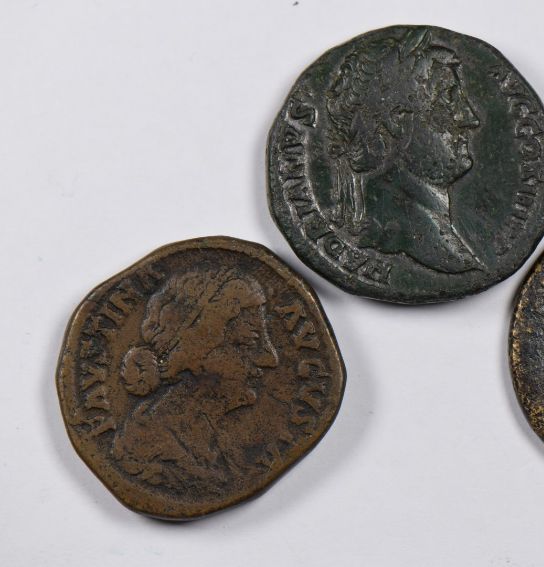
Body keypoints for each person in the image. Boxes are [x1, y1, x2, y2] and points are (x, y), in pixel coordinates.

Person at [112, 268, 288, 493]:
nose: (271, 359)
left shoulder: (211, 446)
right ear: (194, 352)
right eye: (249, 342)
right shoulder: (148, 454)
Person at [325, 28, 482, 274]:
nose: (471, 119)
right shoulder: (416, 236)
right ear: (396, 119)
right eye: (449, 99)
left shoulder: (430, 229)